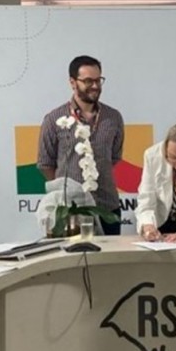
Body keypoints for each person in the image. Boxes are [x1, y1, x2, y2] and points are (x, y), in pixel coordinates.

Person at [38, 55, 124, 235]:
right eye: (88, 81)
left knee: (106, 261)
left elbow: (114, 157)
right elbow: (46, 163)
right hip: (70, 209)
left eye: (98, 80)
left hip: (107, 206)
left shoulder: (113, 117)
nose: (95, 86)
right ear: (72, 82)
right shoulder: (55, 119)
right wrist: (69, 189)